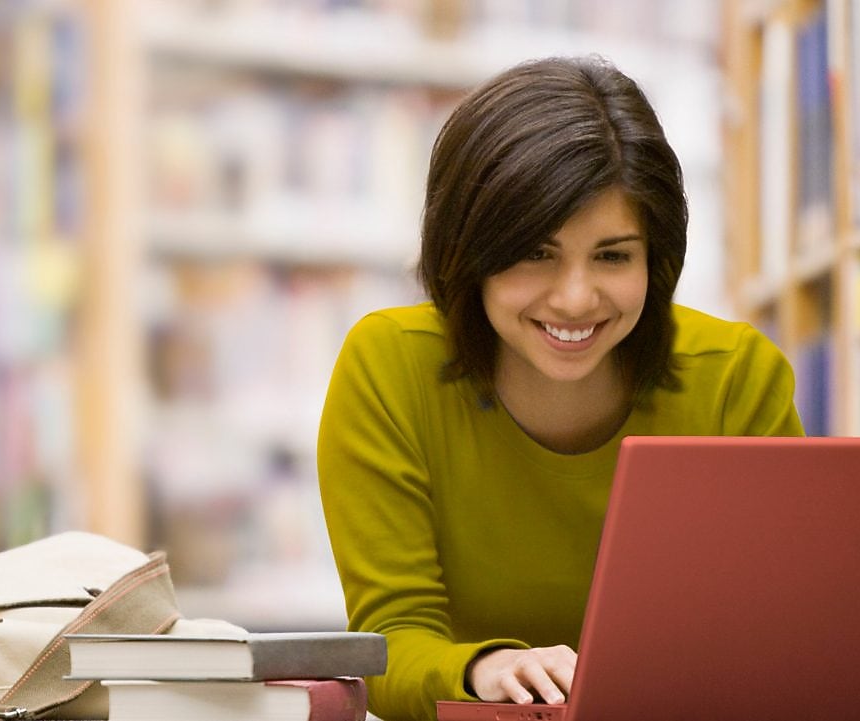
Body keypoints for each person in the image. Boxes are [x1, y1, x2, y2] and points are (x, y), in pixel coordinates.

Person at [316, 55, 803, 721]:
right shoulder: (389, 364)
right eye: (535, 253)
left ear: (655, 260)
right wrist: (485, 667)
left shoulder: (737, 376)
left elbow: (786, 629)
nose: (576, 298)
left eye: (613, 255)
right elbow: (388, 640)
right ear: (468, 251)